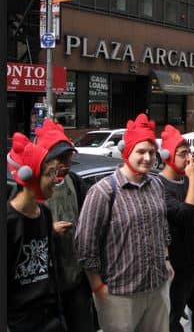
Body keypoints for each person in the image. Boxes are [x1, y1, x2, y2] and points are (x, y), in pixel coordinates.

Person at [75, 114, 173, 332]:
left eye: (151, 152)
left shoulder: (156, 185)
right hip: (119, 295)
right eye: (141, 151)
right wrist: (98, 286)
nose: (147, 157)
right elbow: (85, 244)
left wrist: (166, 260)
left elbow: (162, 227)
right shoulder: (103, 191)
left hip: (157, 288)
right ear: (127, 152)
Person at [35, 119, 96, 332]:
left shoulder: (76, 183)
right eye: (60, 158)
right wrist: (49, 230)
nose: (65, 164)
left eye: (68, 158)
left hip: (77, 278)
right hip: (47, 287)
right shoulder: (28, 190)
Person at [158, 124, 194, 332]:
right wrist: (193, 178)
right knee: (171, 320)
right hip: (177, 268)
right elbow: (184, 215)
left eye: (189, 153)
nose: (189, 159)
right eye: (183, 154)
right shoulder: (159, 186)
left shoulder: (189, 180)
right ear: (167, 156)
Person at [7, 133, 64, 332]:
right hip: (19, 323)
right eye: (49, 173)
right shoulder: (8, 223)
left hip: (49, 319)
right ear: (29, 176)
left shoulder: (45, 214)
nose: (56, 179)